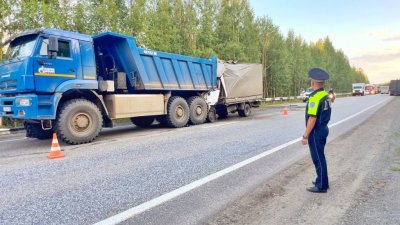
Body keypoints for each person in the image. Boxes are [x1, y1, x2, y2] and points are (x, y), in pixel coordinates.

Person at [301, 68, 332, 193]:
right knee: (320, 157)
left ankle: (321, 185)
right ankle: (322, 179)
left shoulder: (314, 98)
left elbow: (312, 118)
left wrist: (305, 135)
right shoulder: (325, 95)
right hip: (323, 129)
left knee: (318, 158)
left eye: (311, 80)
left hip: (316, 131)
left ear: (313, 82)